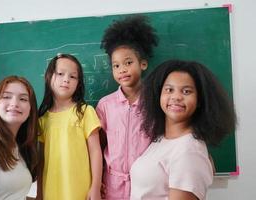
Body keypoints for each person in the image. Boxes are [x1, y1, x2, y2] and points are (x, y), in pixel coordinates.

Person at [130, 59, 237, 200]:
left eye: (186, 91)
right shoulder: (162, 139)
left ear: (199, 100)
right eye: (169, 90)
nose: (176, 97)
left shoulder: (189, 151)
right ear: (159, 95)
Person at [96, 15, 159, 199]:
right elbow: (98, 148)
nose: (122, 69)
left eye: (128, 62)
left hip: (147, 185)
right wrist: (97, 179)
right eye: (116, 65)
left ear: (143, 64)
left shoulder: (155, 103)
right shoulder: (105, 105)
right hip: (111, 186)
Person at [36, 53, 102, 200]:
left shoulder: (85, 112)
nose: (66, 79)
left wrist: (96, 187)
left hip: (80, 190)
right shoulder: (43, 120)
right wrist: (39, 193)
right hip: (51, 191)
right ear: (49, 77)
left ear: (78, 83)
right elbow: (41, 162)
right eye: (60, 74)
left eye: (73, 76)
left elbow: (95, 152)